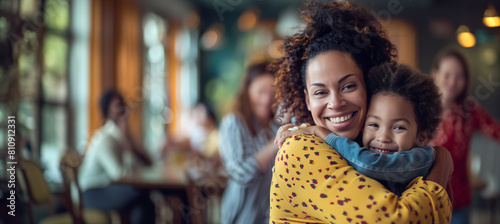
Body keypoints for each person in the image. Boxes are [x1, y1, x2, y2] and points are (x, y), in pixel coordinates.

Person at [269, 1, 453, 223]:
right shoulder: (301, 148)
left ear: (368, 86)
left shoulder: (373, 146)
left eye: (348, 86)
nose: (335, 103)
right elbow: (394, 220)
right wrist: (440, 166)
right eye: (320, 92)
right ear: (307, 100)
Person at [277, 62, 445, 196]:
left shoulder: (422, 158)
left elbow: (368, 164)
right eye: (373, 125)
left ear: (422, 136)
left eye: (399, 127)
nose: (383, 137)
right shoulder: (358, 147)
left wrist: (323, 134)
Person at [429, 48, 500, 224]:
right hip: (426, 200)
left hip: (459, 201)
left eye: (459, 76)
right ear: (435, 74)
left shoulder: (470, 111)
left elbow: (496, 130)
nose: (452, 81)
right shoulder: (420, 109)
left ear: (466, 80)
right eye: (447, 74)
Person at [78, 90, 155, 224]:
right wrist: (127, 144)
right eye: (117, 104)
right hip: (92, 193)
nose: (122, 108)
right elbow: (119, 175)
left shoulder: (121, 135)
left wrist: (128, 139)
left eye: (123, 103)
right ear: (107, 110)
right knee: (142, 194)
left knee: (142, 203)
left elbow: (147, 162)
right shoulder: (106, 138)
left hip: (107, 188)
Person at [218, 62, 279, 224]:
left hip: (269, 216)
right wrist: (276, 142)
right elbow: (240, 173)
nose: (267, 99)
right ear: (247, 90)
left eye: (273, 93)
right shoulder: (234, 123)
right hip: (242, 217)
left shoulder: (274, 125)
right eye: (260, 92)